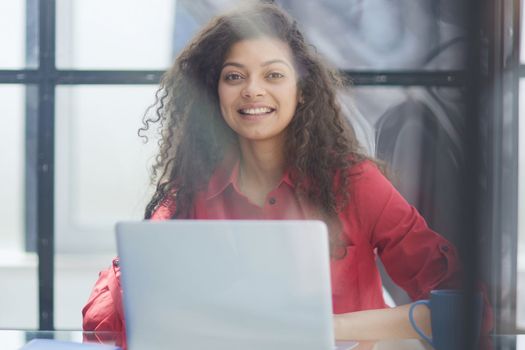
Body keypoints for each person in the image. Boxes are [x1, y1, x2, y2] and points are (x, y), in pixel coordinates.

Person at [82, 1, 490, 345]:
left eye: (273, 74)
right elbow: (104, 326)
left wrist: (330, 328)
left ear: (301, 89)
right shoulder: (188, 194)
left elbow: (466, 309)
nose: (252, 90)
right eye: (234, 77)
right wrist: (144, 262)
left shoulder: (354, 183)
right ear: (214, 93)